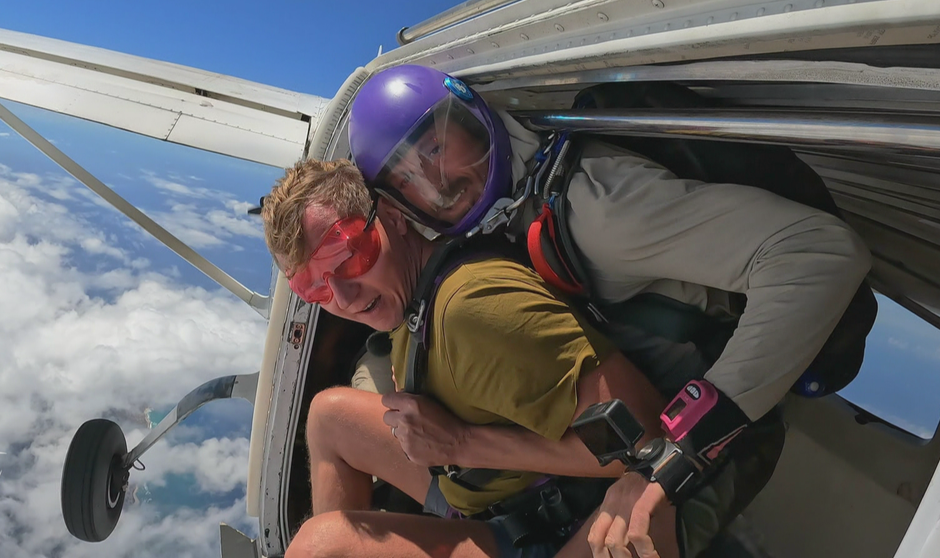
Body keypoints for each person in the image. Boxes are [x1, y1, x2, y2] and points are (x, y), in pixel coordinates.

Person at [347, 64, 874, 556]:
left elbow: (820, 252)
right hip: (637, 424)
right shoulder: (500, 215)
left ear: (474, 116)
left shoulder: (601, 211)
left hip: (720, 433)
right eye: (407, 180)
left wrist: (674, 455)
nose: (436, 184)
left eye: (436, 147)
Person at [260, 159, 680, 558]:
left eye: (349, 255)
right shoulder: (419, 293)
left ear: (392, 217)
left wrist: (462, 444)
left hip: (551, 520)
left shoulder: (471, 313)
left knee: (321, 547)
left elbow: (644, 439)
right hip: (483, 487)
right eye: (314, 288)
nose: (345, 298)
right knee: (328, 418)